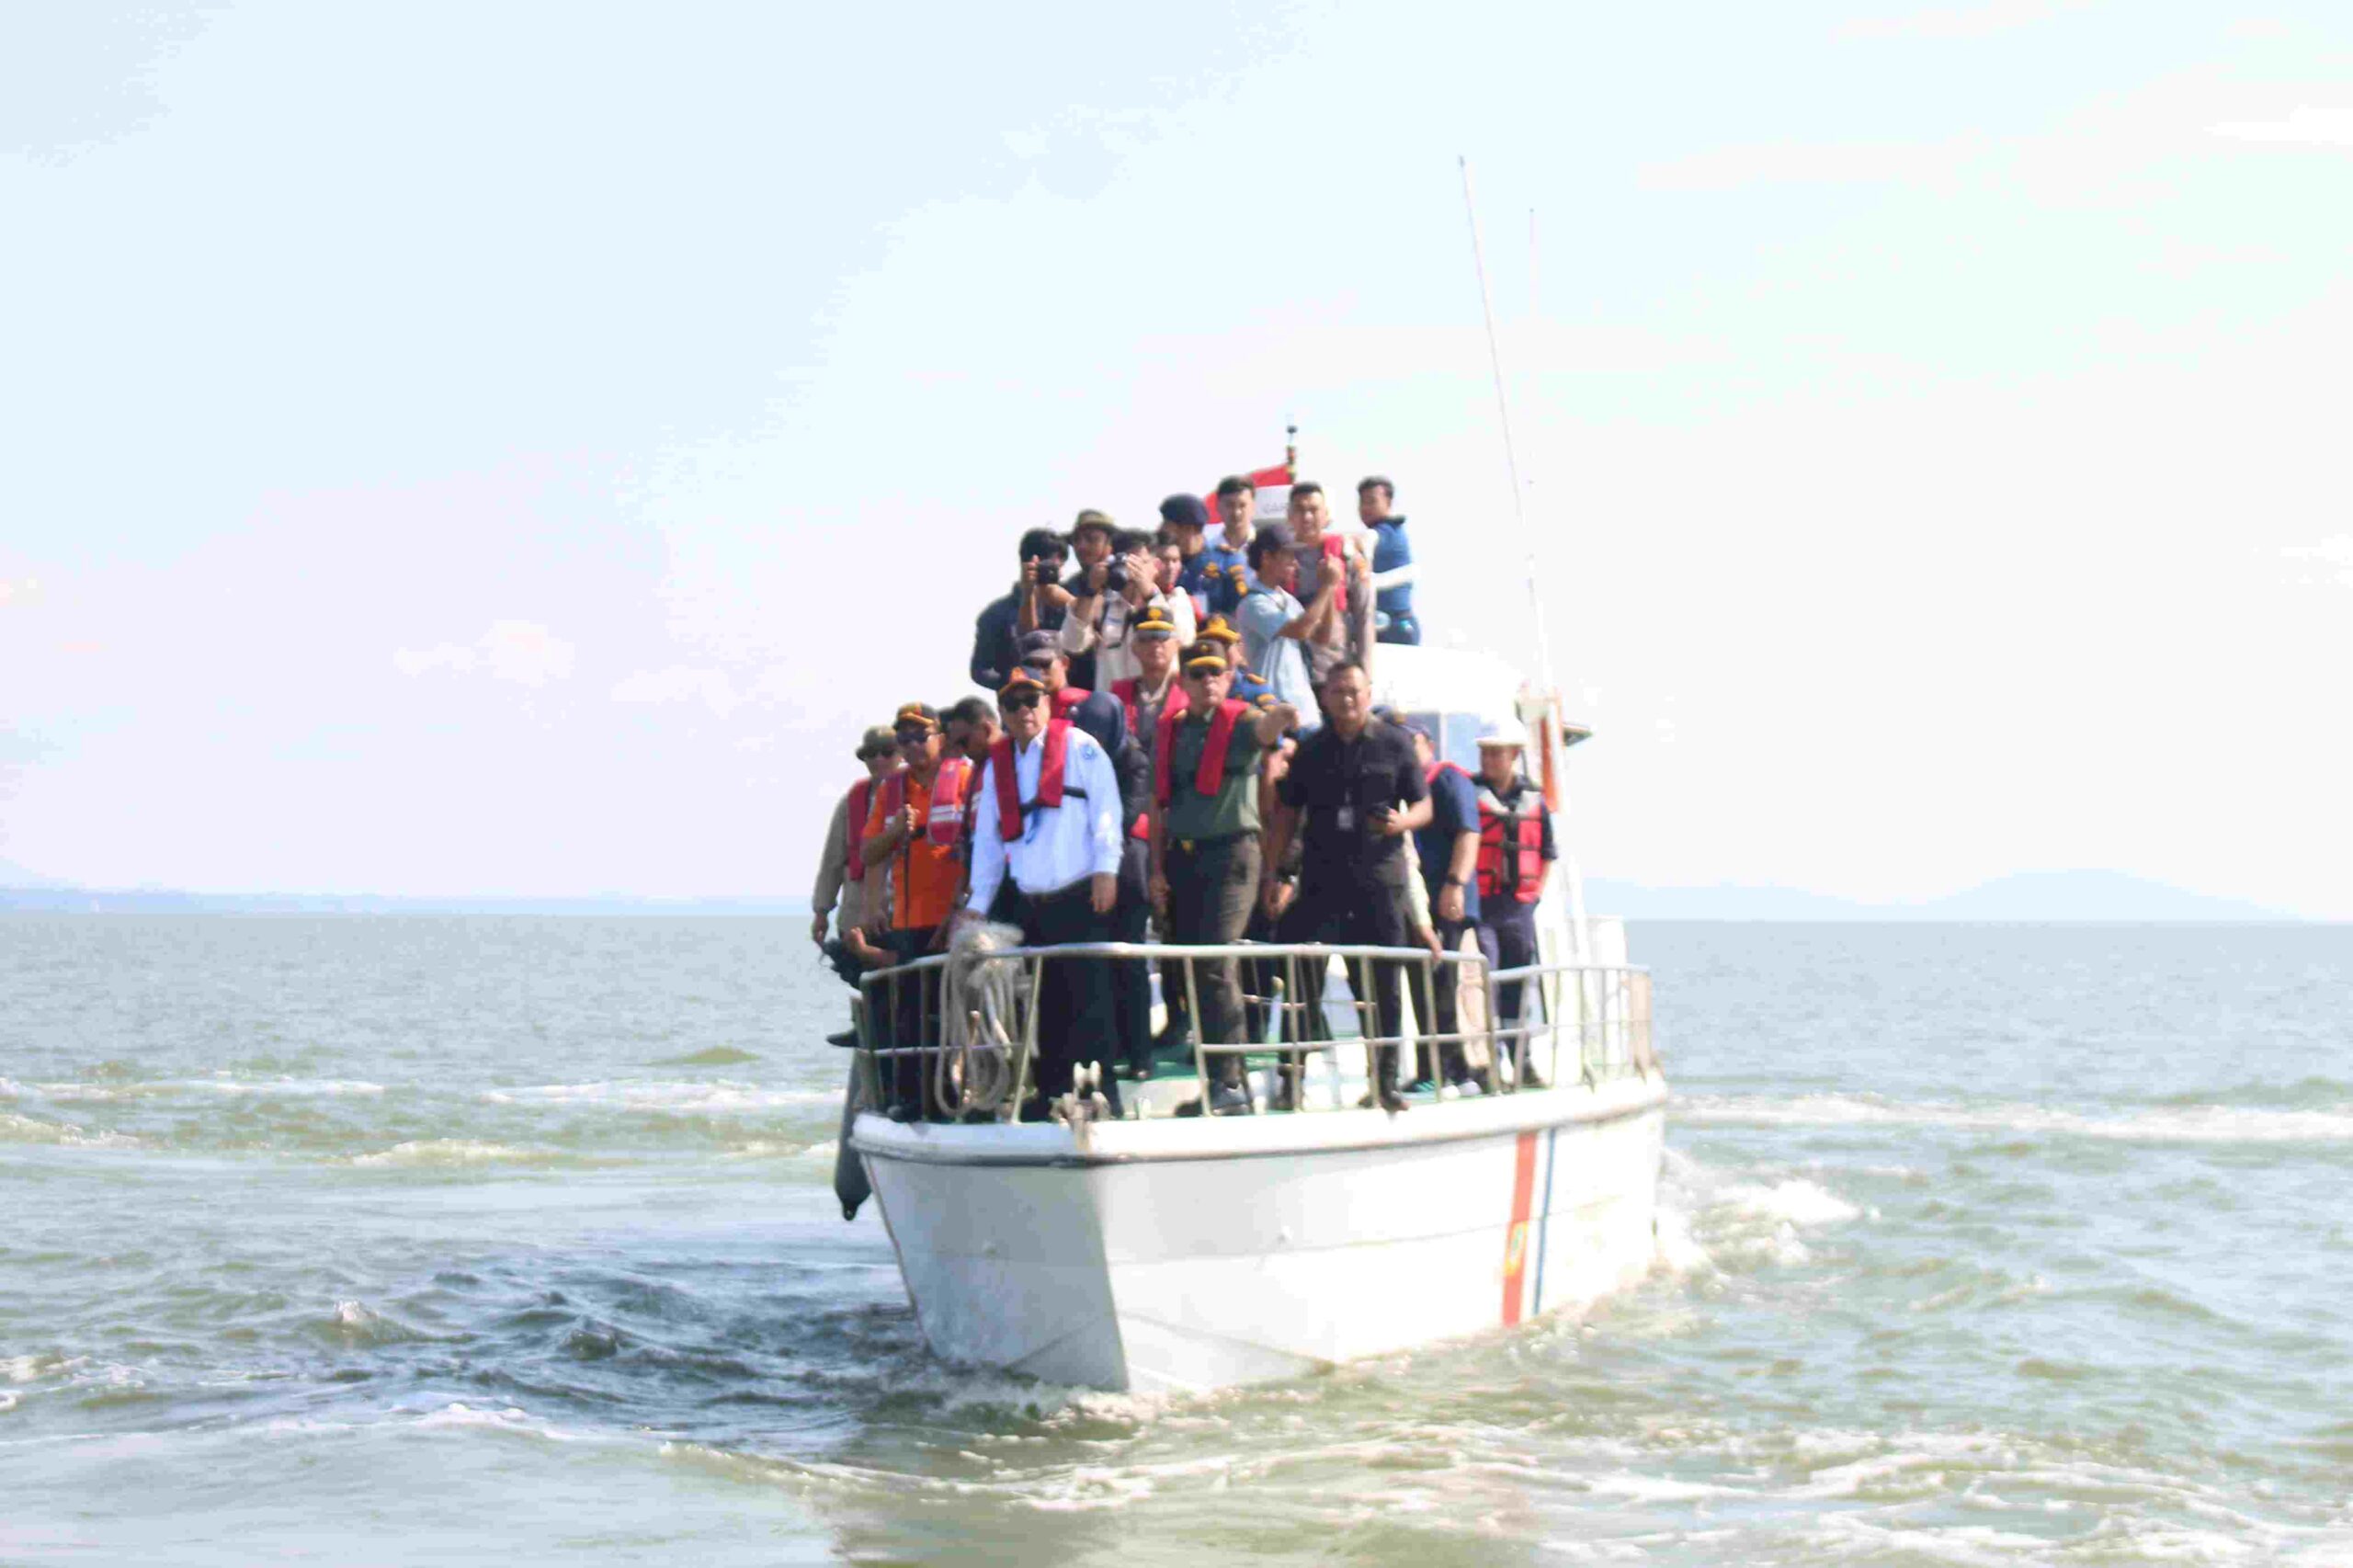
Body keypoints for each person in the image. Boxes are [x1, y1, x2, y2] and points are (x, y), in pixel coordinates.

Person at [961, 668, 1126, 1118]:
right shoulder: (997, 767)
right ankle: (1051, 1093)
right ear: (1002, 712)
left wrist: (1106, 869)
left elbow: (1107, 810)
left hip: (1080, 895)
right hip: (1031, 903)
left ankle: (1105, 1093)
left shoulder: (1080, 747)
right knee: (1042, 1005)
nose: (1024, 710)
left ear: (1048, 703)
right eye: (1013, 704)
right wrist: (977, 904)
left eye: (1032, 700)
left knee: (1090, 1000)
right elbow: (988, 842)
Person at [1267, 662, 1431, 1112]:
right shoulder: (1312, 749)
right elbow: (1286, 813)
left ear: (1367, 693)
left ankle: (1385, 1083)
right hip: (1322, 882)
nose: (1347, 699)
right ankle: (1290, 1083)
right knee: (1302, 985)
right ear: (1325, 697)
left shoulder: (1395, 744)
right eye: (1338, 691)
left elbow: (1424, 805)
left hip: (1379, 883)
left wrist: (1401, 823)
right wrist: (1274, 872)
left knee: (1382, 988)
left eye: (1354, 691)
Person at [1148, 640, 1298, 1112]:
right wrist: (1156, 869)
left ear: (1229, 678)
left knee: (1215, 961)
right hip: (1183, 859)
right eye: (1197, 673)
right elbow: (1158, 803)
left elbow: (1268, 728)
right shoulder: (1171, 730)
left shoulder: (1242, 721)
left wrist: (1283, 714)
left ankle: (1230, 1083)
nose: (1208, 680)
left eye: (1216, 672)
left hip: (1232, 857)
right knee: (1192, 967)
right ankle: (1221, 1079)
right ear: (1184, 681)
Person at [861, 703, 973, 1120]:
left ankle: (962, 1096)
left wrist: (960, 906)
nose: (911, 745)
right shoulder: (890, 791)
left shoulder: (966, 778)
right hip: (909, 921)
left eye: (919, 736)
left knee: (959, 1013)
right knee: (911, 1017)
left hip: (957, 919)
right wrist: (894, 832)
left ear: (940, 737)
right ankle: (914, 1099)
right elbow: (867, 852)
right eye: (903, 739)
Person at [1472, 721, 1558, 1087]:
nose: (1489, 759)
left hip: (1519, 909)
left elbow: (1547, 853)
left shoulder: (1535, 801)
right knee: (1485, 981)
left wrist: (1535, 895)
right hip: (1482, 907)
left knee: (1518, 987)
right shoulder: (1469, 794)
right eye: (1485, 753)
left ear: (1514, 755)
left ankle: (1522, 1062)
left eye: (1497, 753)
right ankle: (1490, 1065)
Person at [1405, 721, 1484, 1090]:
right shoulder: (1407, 786)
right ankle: (1438, 1070)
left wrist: (1455, 885)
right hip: (1418, 901)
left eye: (1413, 741)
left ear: (1429, 745)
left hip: (1444, 900)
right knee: (1425, 986)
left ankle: (1450, 1071)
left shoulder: (1449, 780)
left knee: (1441, 985)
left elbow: (1469, 833)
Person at [813, 726, 903, 1041]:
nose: (879, 760)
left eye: (887, 753)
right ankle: (865, 1026)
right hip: (857, 904)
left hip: (901, 904)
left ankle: (890, 1031)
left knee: (899, 973)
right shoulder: (852, 801)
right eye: (871, 754)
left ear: (900, 754)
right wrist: (821, 910)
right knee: (857, 965)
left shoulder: (915, 791)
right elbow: (832, 858)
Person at [1061, 528, 1194, 687]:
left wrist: (1150, 595)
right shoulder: (1101, 604)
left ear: (1156, 566)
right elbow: (1072, 644)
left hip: (1158, 698)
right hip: (1114, 697)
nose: (1133, 570)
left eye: (1140, 563)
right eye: (1128, 564)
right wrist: (1090, 591)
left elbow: (1185, 639)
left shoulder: (1174, 599)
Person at [1237, 524, 1335, 717]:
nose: (1295, 564)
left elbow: (1322, 637)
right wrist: (1327, 586)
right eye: (1288, 556)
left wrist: (1330, 590)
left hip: (1303, 707)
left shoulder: (1289, 601)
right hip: (1272, 707)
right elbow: (1300, 630)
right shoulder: (1253, 603)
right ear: (1266, 558)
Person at [1284, 482, 1369, 680]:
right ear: (1289, 515)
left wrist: (1366, 672)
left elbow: (1364, 614)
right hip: (1292, 663)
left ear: (1326, 514)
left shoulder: (1347, 554)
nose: (1307, 517)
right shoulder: (1279, 558)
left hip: (1335, 665)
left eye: (1313, 510)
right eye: (1300, 510)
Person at [970, 528, 1068, 691]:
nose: (1058, 573)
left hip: (1067, 699)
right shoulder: (996, 614)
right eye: (1049, 567)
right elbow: (980, 670)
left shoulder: (1069, 604)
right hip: (1021, 702)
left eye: (1058, 567)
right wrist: (1013, 682)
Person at [1359, 476, 1420, 647]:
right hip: (1379, 624)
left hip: (1395, 626)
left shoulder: (1388, 531)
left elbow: (1368, 539)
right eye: (1362, 502)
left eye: (1372, 501)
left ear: (1388, 502)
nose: (1365, 508)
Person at [1200, 475, 1256, 619]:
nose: (1236, 512)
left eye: (1242, 505)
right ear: (1218, 507)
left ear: (1253, 507)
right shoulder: (1206, 549)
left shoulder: (1266, 548)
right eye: (1230, 505)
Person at [1158, 494, 1213, 621]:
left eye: (1167, 524)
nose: (1161, 529)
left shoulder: (1224, 565)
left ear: (1188, 529)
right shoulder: (1158, 562)